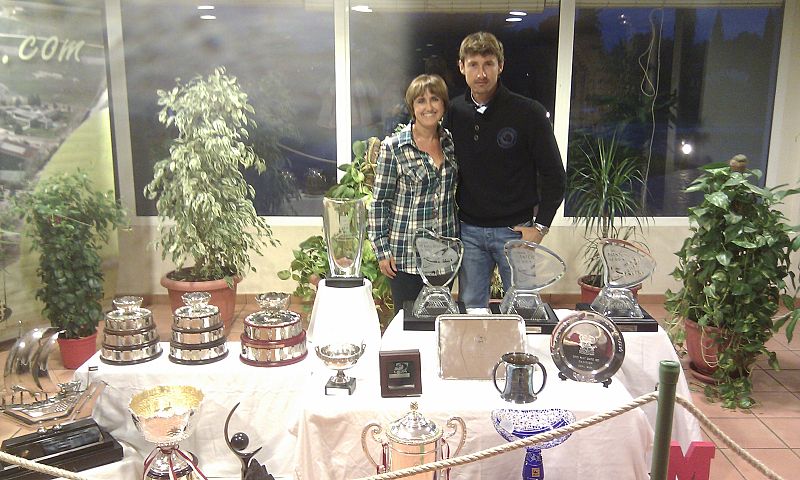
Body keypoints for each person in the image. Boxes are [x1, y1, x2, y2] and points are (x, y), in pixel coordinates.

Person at [443, 31, 566, 309]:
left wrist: (541, 227)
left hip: (516, 232)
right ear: (462, 67)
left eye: (488, 63)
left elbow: (555, 176)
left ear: (501, 65)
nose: (481, 73)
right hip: (469, 232)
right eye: (473, 64)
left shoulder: (528, 113)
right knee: (472, 310)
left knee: (522, 310)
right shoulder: (454, 112)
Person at [368, 74, 458, 314]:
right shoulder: (394, 147)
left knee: (439, 322)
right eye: (421, 101)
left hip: (443, 257)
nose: (428, 107)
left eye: (434, 99)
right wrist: (382, 251)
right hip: (405, 255)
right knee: (406, 323)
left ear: (443, 104)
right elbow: (379, 203)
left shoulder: (450, 143)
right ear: (412, 107)